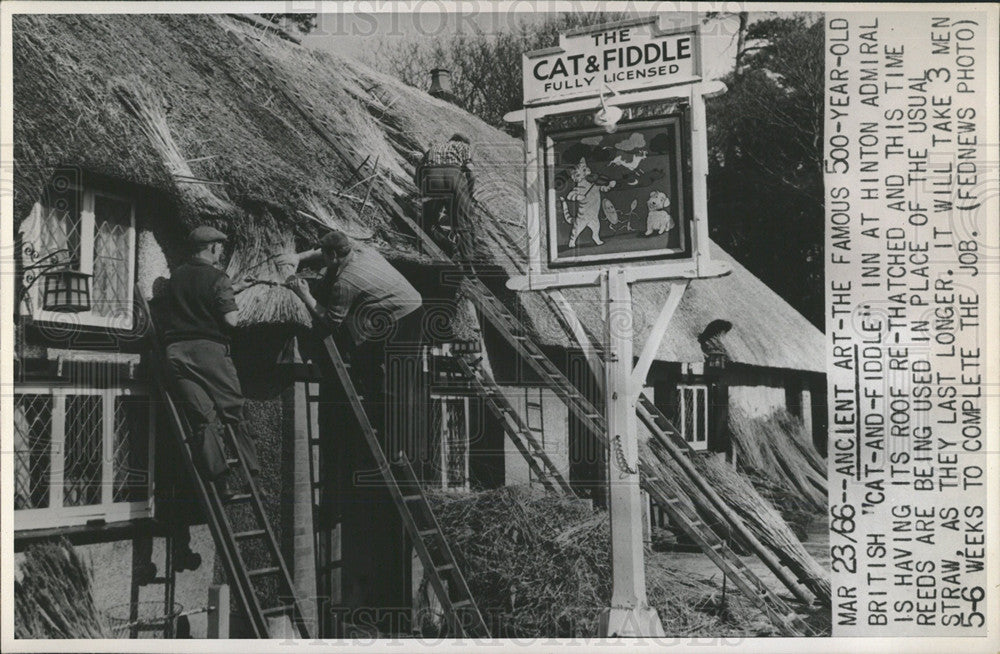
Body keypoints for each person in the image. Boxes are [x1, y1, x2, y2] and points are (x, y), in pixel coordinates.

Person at [157, 225, 257, 569]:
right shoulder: (218, 278)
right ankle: (249, 470)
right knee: (233, 410)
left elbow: (173, 304)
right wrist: (230, 297)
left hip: (174, 354)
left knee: (203, 418)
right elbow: (230, 320)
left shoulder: (174, 279)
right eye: (220, 247)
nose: (221, 252)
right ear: (212, 248)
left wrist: (230, 289)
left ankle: (221, 480)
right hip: (207, 351)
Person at [282, 231, 423, 451]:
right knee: (365, 359)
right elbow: (323, 250)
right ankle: (378, 409)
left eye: (326, 257)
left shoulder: (346, 281)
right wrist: (298, 257)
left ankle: (396, 443)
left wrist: (305, 294)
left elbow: (331, 321)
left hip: (406, 316)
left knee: (396, 381)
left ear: (334, 256)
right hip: (398, 308)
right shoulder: (362, 250)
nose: (323, 261)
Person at [413, 133, 477, 257]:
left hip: (432, 179)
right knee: (463, 225)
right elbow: (470, 170)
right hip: (453, 178)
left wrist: (421, 186)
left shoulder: (435, 147)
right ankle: (469, 266)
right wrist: (469, 193)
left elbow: (420, 168)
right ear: (464, 141)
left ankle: (446, 246)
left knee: (429, 221)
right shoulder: (464, 146)